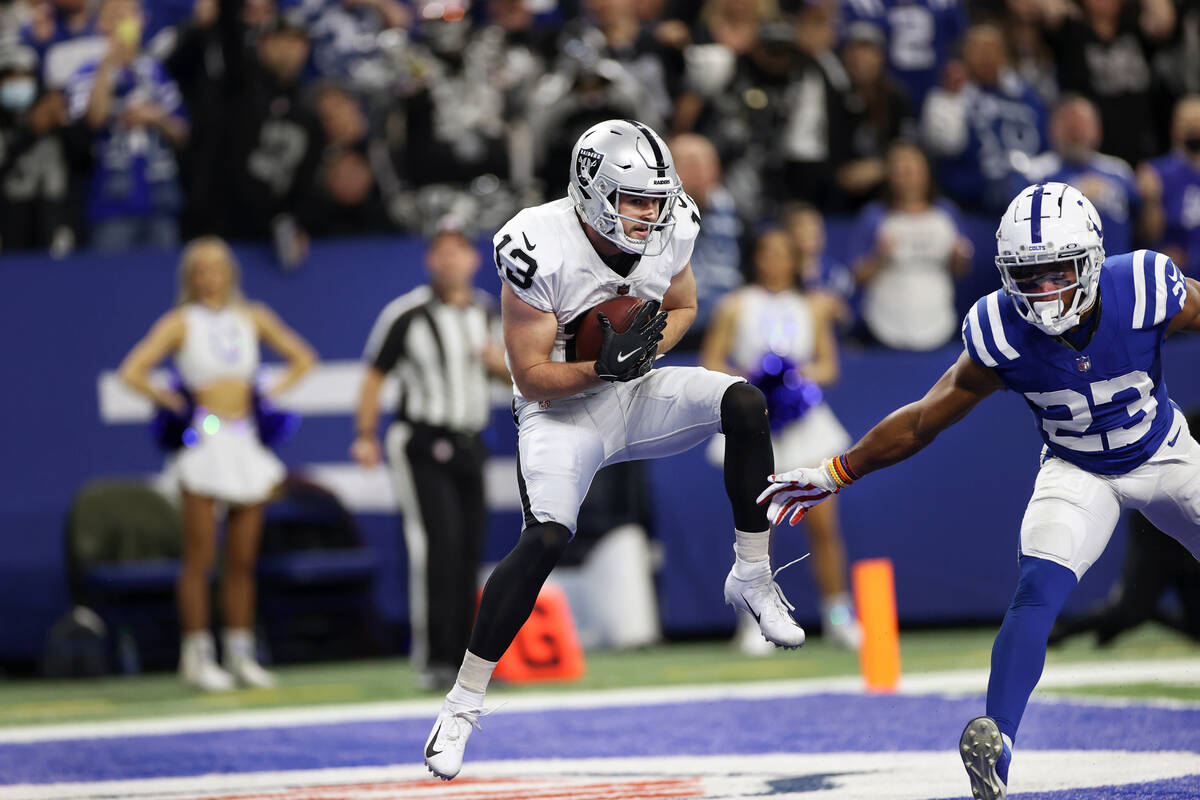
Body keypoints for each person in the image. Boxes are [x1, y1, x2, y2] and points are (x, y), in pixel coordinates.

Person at [759, 181, 1200, 800]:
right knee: (1035, 593)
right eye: (1031, 275)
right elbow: (921, 420)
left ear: (1094, 260)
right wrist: (838, 470)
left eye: (1059, 272)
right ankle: (1000, 743)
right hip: (1078, 471)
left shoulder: (1145, 285)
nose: (1045, 291)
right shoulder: (1000, 330)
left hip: (1166, 452)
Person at [423, 119, 805, 781]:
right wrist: (606, 368)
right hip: (560, 410)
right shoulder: (535, 243)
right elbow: (529, 375)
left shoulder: (673, 224)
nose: (649, 214)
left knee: (745, 403)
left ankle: (751, 572)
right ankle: (462, 704)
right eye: (635, 200)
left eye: (656, 200)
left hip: (633, 387)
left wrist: (643, 352)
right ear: (592, 189)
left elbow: (682, 305)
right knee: (544, 539)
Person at [118, 236, 317, 691]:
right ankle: (196, 655)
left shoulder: (253, 316)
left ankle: (240, 652)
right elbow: (133, 370)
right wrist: (172, 400)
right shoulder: (180, 322)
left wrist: (269, 391)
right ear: (190, 276)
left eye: (218, 267)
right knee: (200, 555)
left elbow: (303, 357)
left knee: (243, 559)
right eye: (201, 269)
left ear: (230, 273)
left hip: (245, 441)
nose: (211, 276)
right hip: (204, 442)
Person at [352, 228, 508, 692]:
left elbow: (511, 375)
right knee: (436, 548)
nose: (450, 261)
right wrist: (364, 434)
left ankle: (467, 662)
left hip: (471, 441)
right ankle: (434, 657)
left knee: (468, 550)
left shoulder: (486, 311)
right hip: (422, 440)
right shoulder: (407, 315)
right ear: (429, 262)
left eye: (458, 251)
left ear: (472, 261)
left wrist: (495, 363)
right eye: (441, 253)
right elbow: (374, 376)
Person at [701, 228, 860, 652]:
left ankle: (839, 616)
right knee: (757, 529)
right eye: (766, 253)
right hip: (757, 425)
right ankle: (753, 625)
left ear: (794, 261)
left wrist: (793, 383)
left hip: (807, 425)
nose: (774, 262)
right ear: (757, 259)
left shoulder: (813, 306)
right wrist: (753, 384)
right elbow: (712, 359)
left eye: (782, 254)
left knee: (824, 527)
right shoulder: (735, 305)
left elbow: (828, 366)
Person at [853, 140, 972, 350]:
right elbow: (858, 276)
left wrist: (958, 257)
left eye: (913, 168)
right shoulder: (874, 215)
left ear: (926, 171)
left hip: (937, 323)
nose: (907, 175)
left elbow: (960, 271)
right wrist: (879, 256)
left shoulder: (946, 212)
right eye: (900, 168)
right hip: (885, 325)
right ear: (889, 175)